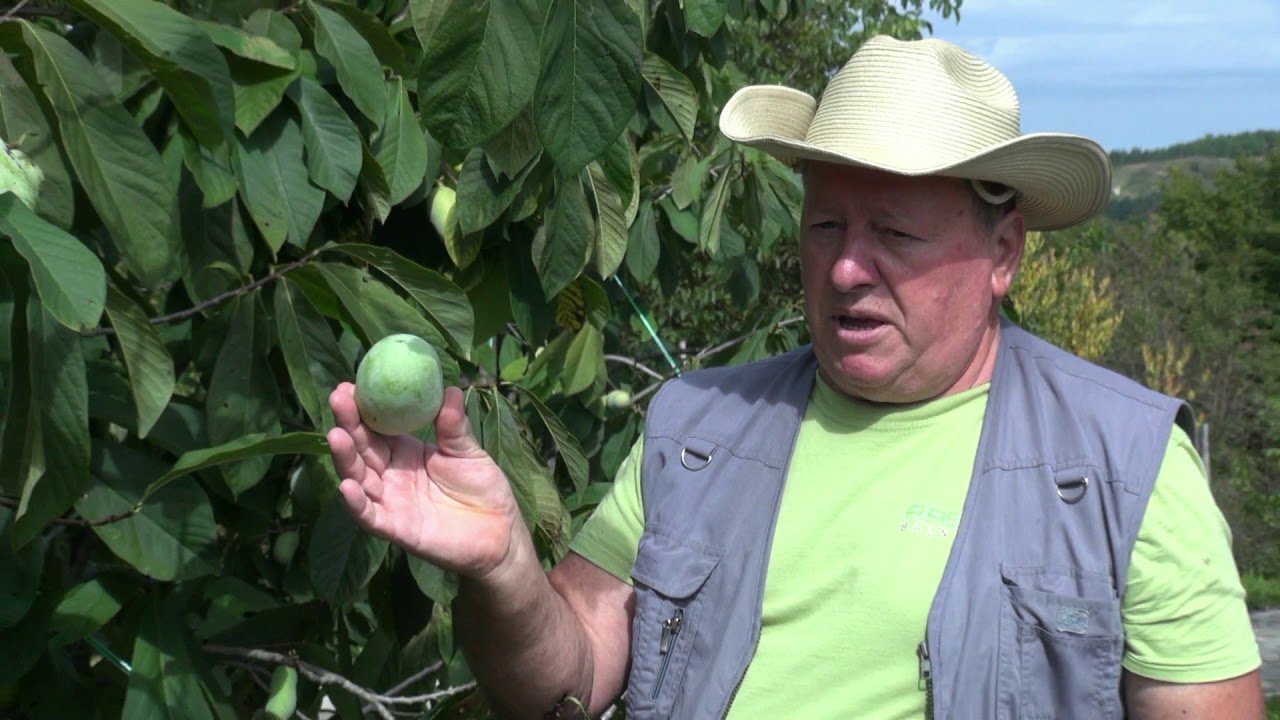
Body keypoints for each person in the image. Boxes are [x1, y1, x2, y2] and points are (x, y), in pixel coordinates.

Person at [326, 36, 1264, 719]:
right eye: (826, 228)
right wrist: (501, 568)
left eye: (894, 233)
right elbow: (561, 683)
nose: (847, 268)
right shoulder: (698, 429)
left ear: (1004, 252)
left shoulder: (1123, 465)